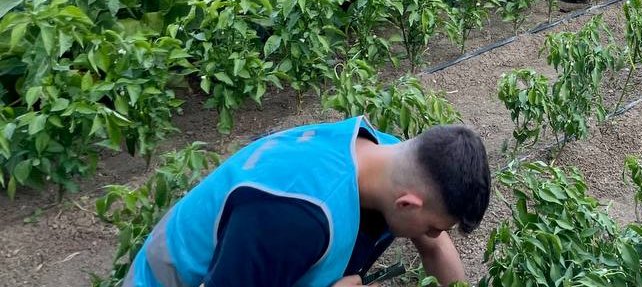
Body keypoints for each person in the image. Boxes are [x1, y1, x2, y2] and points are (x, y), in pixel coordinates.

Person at [125, 118, 491, 287]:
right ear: (408, 204)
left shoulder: (391, 159)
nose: (432, 234)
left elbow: (434, 245)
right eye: (432, 225)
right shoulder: (292, 217)